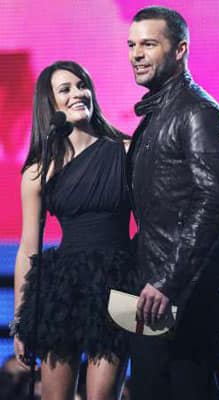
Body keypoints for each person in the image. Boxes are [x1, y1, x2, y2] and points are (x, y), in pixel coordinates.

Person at [127, 6, 219, 400]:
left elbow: (214, 199)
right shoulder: (158, 113)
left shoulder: (198, 111)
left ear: (180, 50)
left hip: (190, 295)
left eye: (148, 44)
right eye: (132, 45)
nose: (136, 54)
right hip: (153, 294)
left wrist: (167, 282)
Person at [11, 60, 134, 400]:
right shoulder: (38, 171)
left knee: (101, 396)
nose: (78, 93)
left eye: (82, 85)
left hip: (116, 284)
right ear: (49, 104)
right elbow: (27, 249)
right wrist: (22, 320)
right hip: (62, 289)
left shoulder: (125, 152)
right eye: (65, 89)